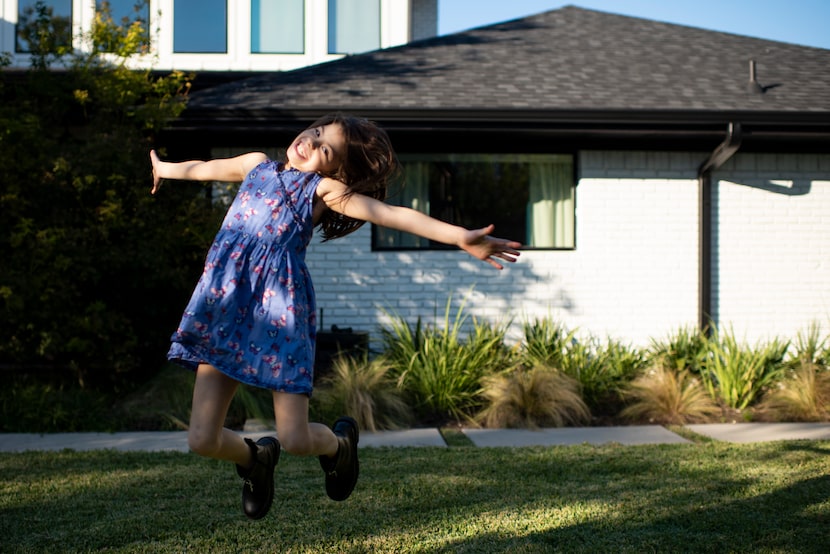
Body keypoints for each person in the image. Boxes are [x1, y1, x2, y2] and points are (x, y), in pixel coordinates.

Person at [149, 112, 522, 519]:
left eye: (325, 148)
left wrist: (460, 237)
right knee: (201, 439)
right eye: (315, 131)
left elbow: (391, 215)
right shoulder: (255, 164)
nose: (310, 141)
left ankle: (340, 446)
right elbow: (203, 169)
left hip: (279, 313)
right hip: (226, 305)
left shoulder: (323, 190)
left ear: (336, 169)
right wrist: (163, 168)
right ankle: (255, 458)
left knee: (294, 437)